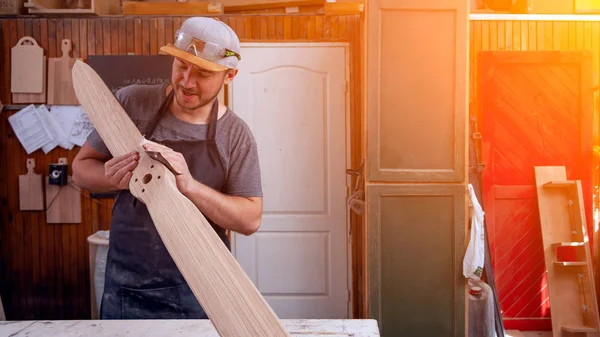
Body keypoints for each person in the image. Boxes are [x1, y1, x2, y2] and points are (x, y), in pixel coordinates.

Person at [72, 17, 263, 320]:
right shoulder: (132, 103)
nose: (186, 82)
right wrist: (117, 178)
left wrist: (189, 186)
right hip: (126, 285)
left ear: (229, 75)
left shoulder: (234, 135)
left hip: (202, 290)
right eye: (180, 66)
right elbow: (81, 170)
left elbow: (250, 220)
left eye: (202, 73)